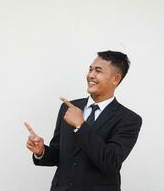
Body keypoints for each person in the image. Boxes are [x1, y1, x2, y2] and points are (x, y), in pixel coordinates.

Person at [25, 50, 142, 191]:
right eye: (90, 69)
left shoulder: (129, 119)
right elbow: (59, 155)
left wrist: (81, 125)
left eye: (98, 71)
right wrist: (41, 151)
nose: (91, 75)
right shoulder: (68, 108)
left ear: (115, 79)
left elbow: (111, 163)